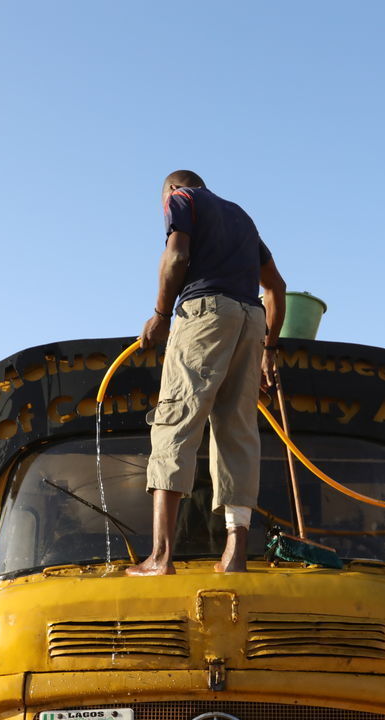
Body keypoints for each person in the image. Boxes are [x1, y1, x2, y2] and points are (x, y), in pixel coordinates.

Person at [127, 170, 286, 576]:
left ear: (172, 190)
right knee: (236, 429)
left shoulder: (182, 199)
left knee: (174, 423)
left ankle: (161, 558)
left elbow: (176, 256)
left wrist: (161, 316)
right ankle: (234, 557)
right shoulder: (242, 218)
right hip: (252, 319)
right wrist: (270, 348)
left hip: (205, 312)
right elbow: (276, 287)